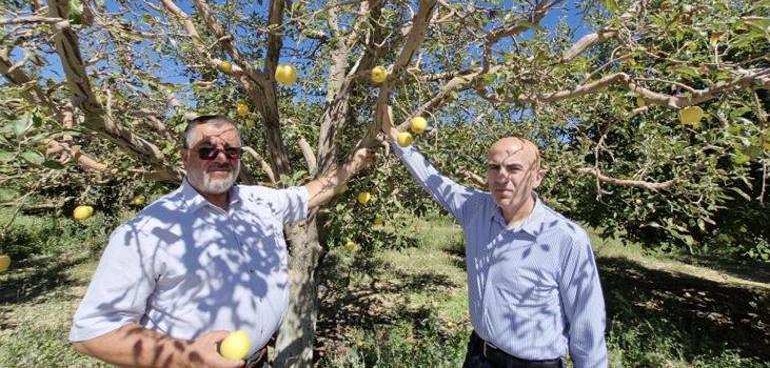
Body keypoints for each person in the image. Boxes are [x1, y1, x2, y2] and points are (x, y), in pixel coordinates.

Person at [70, 115, 374, 368]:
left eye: (232, 151)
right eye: (206, 150)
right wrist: (186, 356)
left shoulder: (259, 200)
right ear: (184, 156)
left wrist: (354, 165)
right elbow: (93, 332)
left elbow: (313, 193)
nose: (221, 158)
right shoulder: (148, 230)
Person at [380, 107, 607, 368]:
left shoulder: (566, 238)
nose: (501, 177)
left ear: (537, 177)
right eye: (494, 167)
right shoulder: (476, 209)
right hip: (480, 354)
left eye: (513, 168)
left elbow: (586, 324)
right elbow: (435, 182)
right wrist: (396, 138)